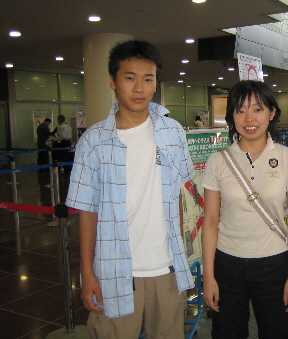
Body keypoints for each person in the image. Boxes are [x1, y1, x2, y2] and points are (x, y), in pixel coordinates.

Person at [66, 40, 195, 339]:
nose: (139, 87)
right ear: (113, 81)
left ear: (156, 84)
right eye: (129, 77)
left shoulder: (172, 131)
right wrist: (87, 274)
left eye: (148, 79)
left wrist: (182, 261)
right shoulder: (93, 141)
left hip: (167, 269)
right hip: (115, 272)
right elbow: (88, 211)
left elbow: (177, 195)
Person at [201, 80, 288, 339]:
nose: (249, 118)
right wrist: (209, 276)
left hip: (274, 263)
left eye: (257, 109)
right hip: (227, 263)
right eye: (240, 110)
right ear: (232, 117)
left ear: (271, 113)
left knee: (277, 333)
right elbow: (210, 221)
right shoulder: (218, 160)